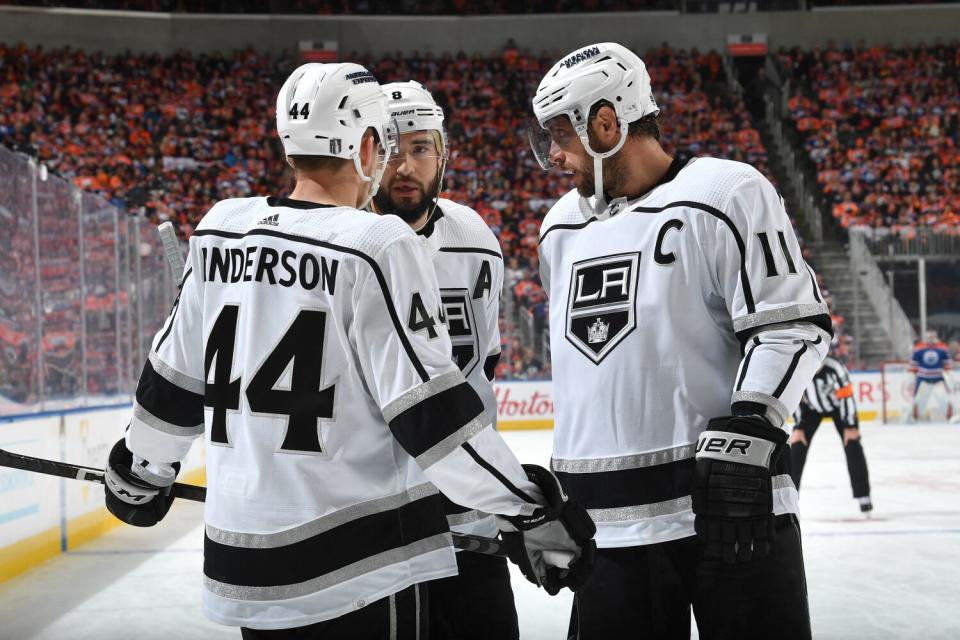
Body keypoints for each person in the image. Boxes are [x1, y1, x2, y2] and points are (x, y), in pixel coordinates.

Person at [102, 62, 595, 639]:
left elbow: (172, 381)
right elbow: (431, 417)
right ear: (366, 145)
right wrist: (530, 505)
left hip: (240, 569)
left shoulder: (219, 227)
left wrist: (142, 467)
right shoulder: (374, 243)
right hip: (354, 564)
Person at [529, 42, 832, 639]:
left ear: (606, 123)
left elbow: (791, 323)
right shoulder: (558, 227)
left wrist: (751, 429)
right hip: (606, 531)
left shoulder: (727, 192)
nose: (554, 156)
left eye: (561, 134)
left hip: (728, 514)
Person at [372, 80, 518, 640]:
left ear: (443, 154)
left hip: (470, 516)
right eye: (389, 148)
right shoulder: (345, 241)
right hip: (382, 527)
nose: (405, 165)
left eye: (420, 148)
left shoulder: (475, 236)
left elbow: (485, 363)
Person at [789, 355, 872, 513]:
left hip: (839, 408)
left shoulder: (835, 368)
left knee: (853, 444)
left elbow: (847, 397)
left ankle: (863, 496)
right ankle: (790, 497)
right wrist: (799, 426)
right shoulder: (799, 370)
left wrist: (849, 425)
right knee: (797, 447)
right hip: (811, 410)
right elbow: (796, 398)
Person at [909, 330, 954, 422]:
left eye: (932, 337)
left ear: (935, 337)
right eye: (928, 337)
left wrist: (947, 374)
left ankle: (950, 416)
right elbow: (913, 365)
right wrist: (912, 376)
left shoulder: (943, 348)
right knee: (919, 399)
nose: (930, 339)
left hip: (939, 380)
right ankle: (915, 417)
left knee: (944, 399)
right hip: (922, 380)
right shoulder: (918, 348)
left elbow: (948, 365)